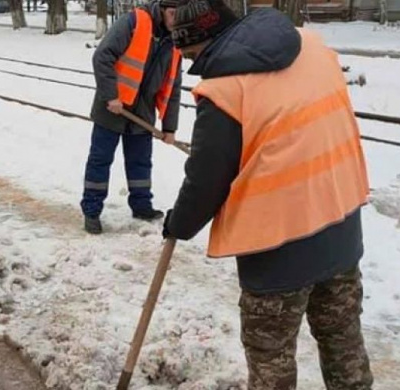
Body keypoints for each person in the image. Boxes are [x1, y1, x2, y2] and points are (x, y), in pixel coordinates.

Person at [164, 0, 374, 388]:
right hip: (340, 225)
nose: (191, 62)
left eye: (189, 52)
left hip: (277, 249)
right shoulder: (311, 45)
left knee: (271, 360)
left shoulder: (224, 90)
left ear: (200, 40)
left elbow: (206, 180)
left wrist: (178, 223)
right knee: (343, 342)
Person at [81, 0, 183, 234]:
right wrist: (110, 96)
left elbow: (173, 86)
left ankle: (141, 206)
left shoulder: (176, 40)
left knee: (140, 162)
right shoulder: (134, 21)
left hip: (143, 112)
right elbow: (102, 57)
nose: (175, 18)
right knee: (100, 159)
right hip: (112, 107)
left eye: (181, 14)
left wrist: (170, 127)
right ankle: (92, 210)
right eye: (172, 12)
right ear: (162, 8)